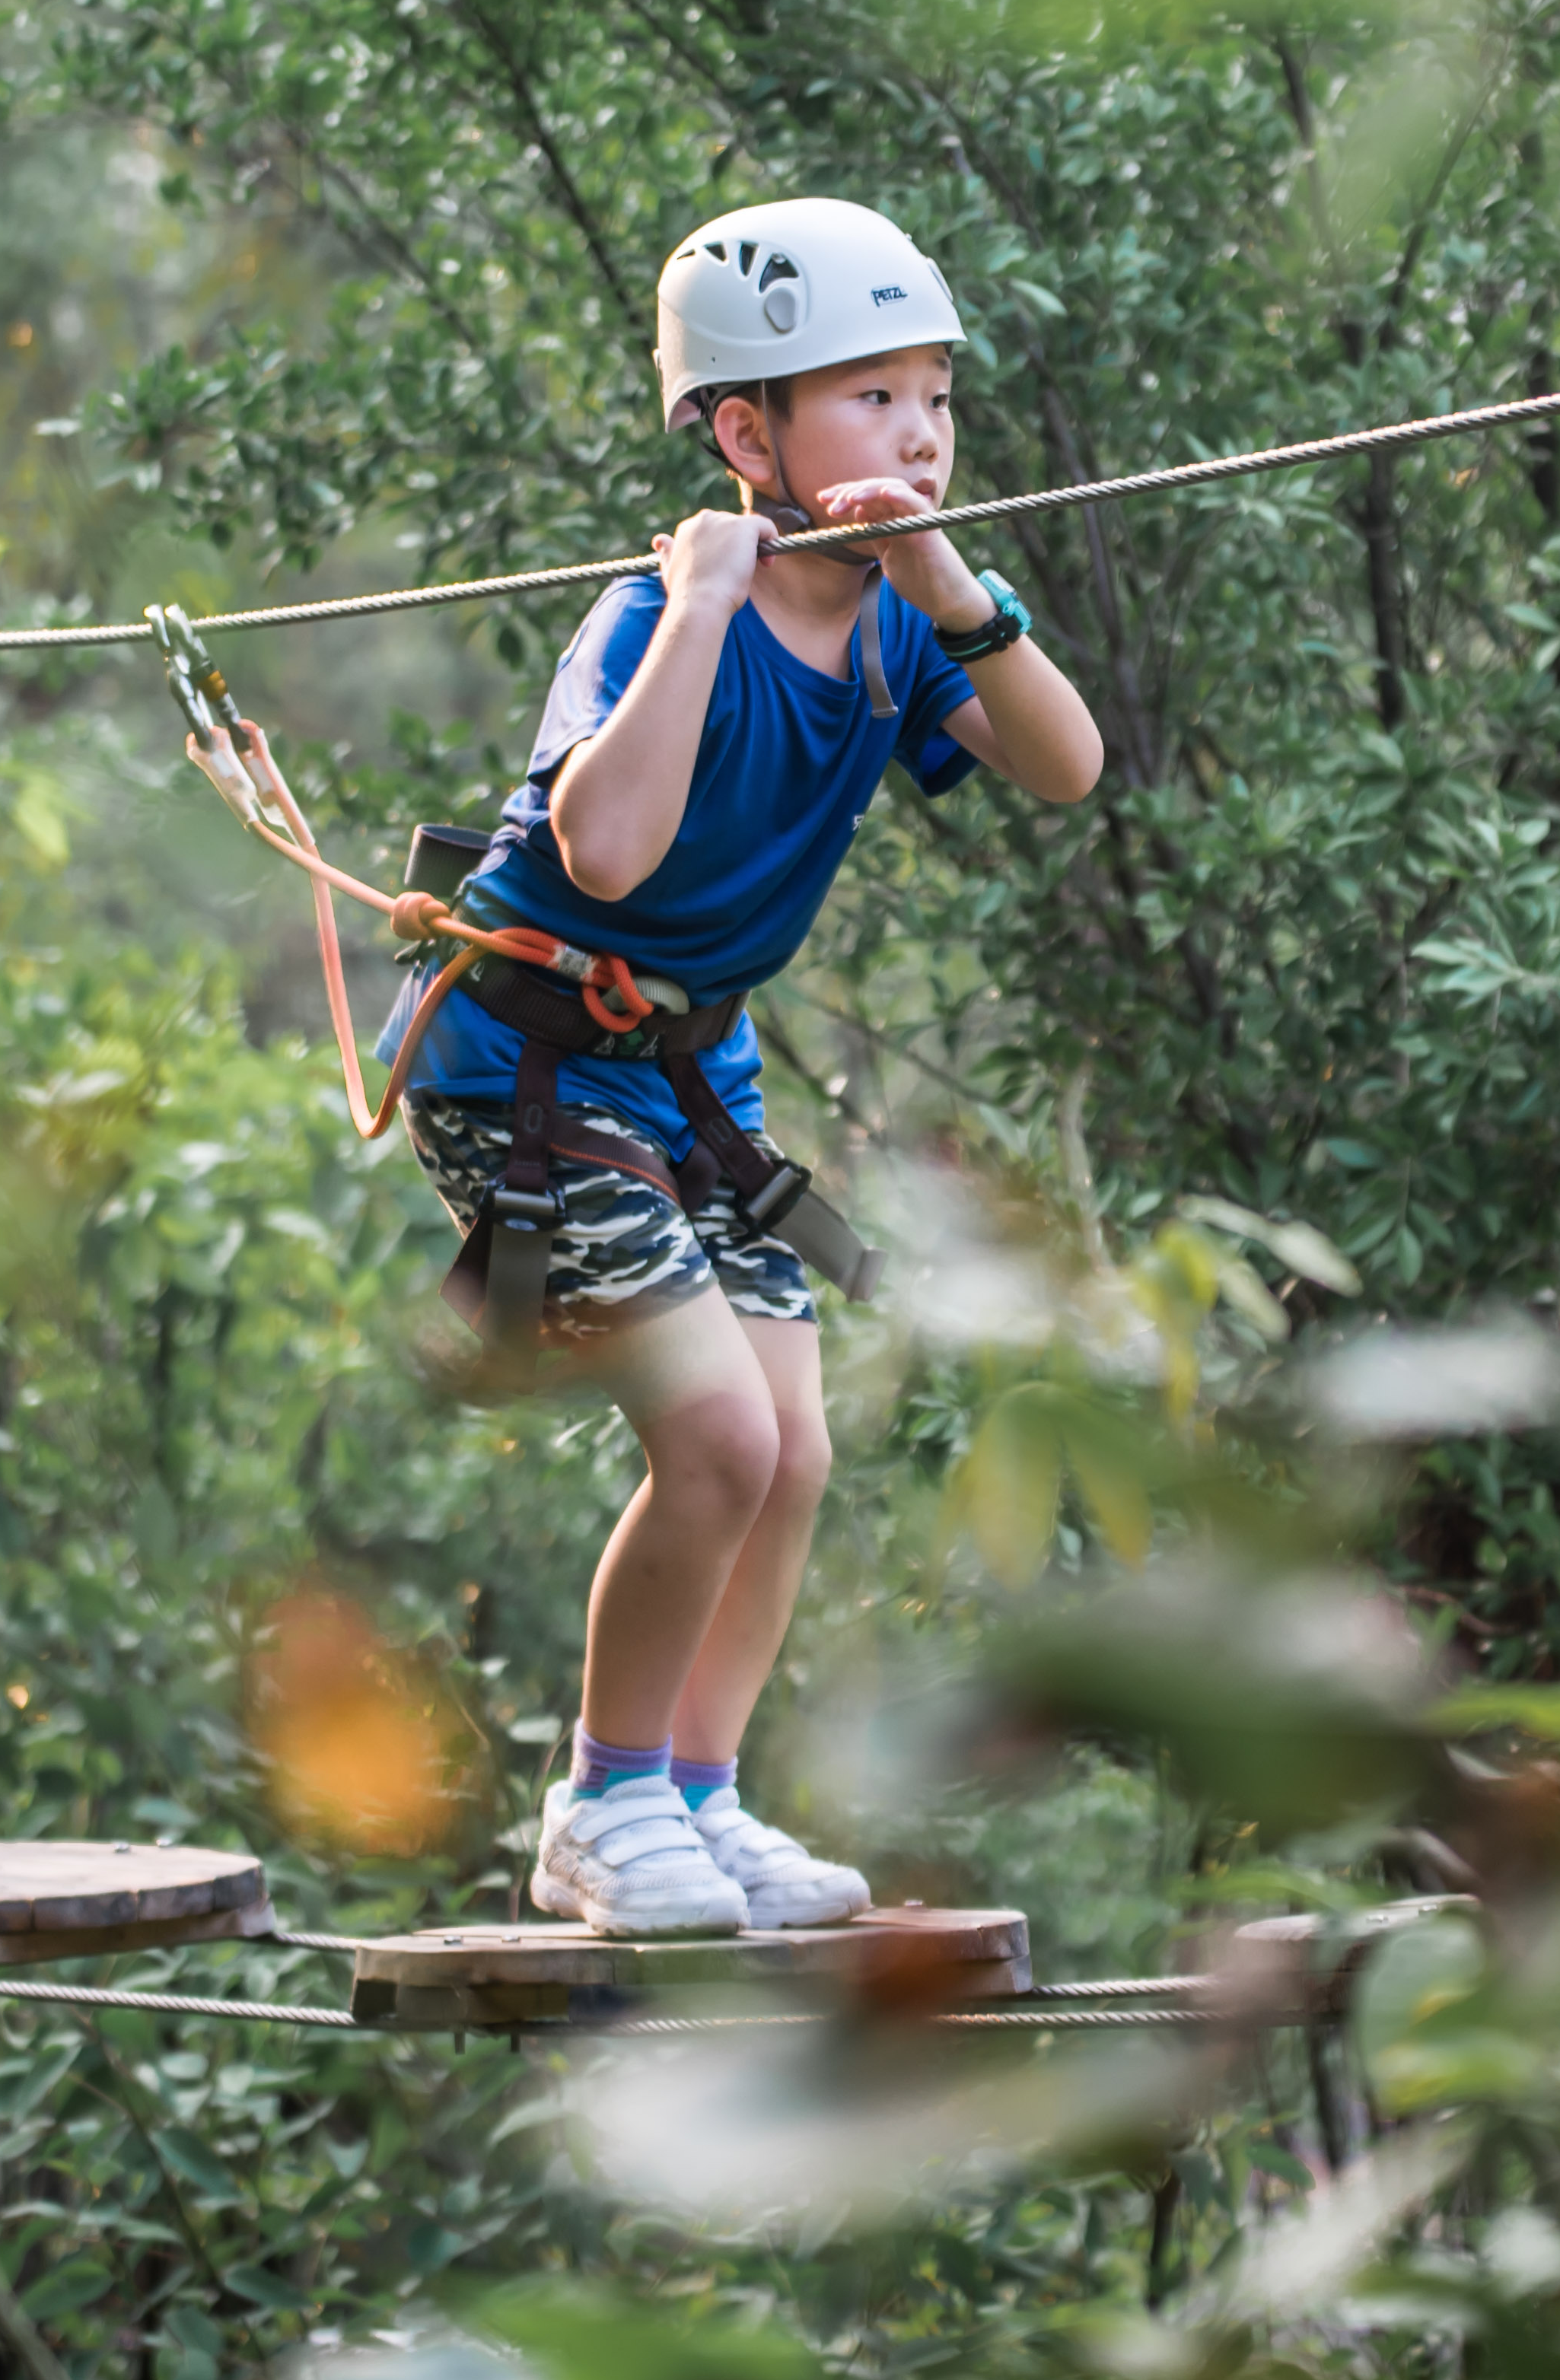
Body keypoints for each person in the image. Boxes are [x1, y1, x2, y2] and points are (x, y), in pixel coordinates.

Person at [393, 198, 1104, 1933]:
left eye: (934, 395)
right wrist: (704, 600)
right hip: (528, 1065)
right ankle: (600, 1800)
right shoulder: (656, 615)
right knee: (712, 1434)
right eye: (870, 397)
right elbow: (607, 850)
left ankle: (696, 1798)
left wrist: (952, 578)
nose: (921, 432)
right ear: (745, 432)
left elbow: (1065, 768)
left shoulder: (895, 621)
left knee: (789, 1448)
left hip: (692, 1080)